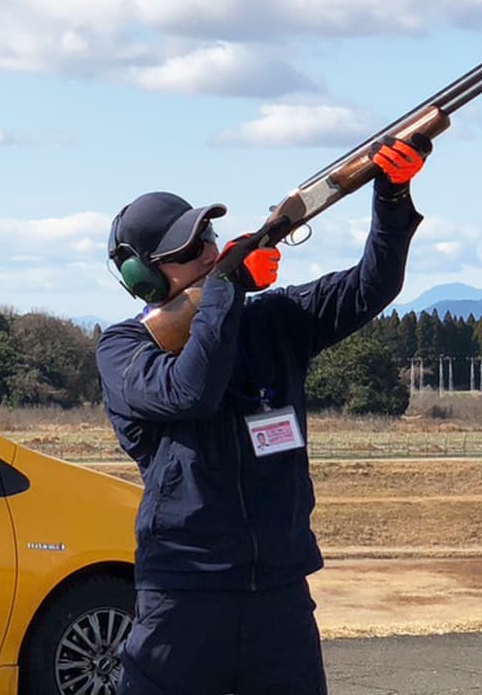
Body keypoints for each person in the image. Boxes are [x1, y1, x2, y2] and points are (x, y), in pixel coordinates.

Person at [97, 136, 432, 694]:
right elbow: (191, 392)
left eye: (207, 238)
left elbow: (370, 287)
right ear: (146, 279)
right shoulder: (124, 350)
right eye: (190, 250)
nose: (208, 252)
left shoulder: (271, 319)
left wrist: (391, 198)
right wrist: (227, 289)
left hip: (278, 588)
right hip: (183, 594)